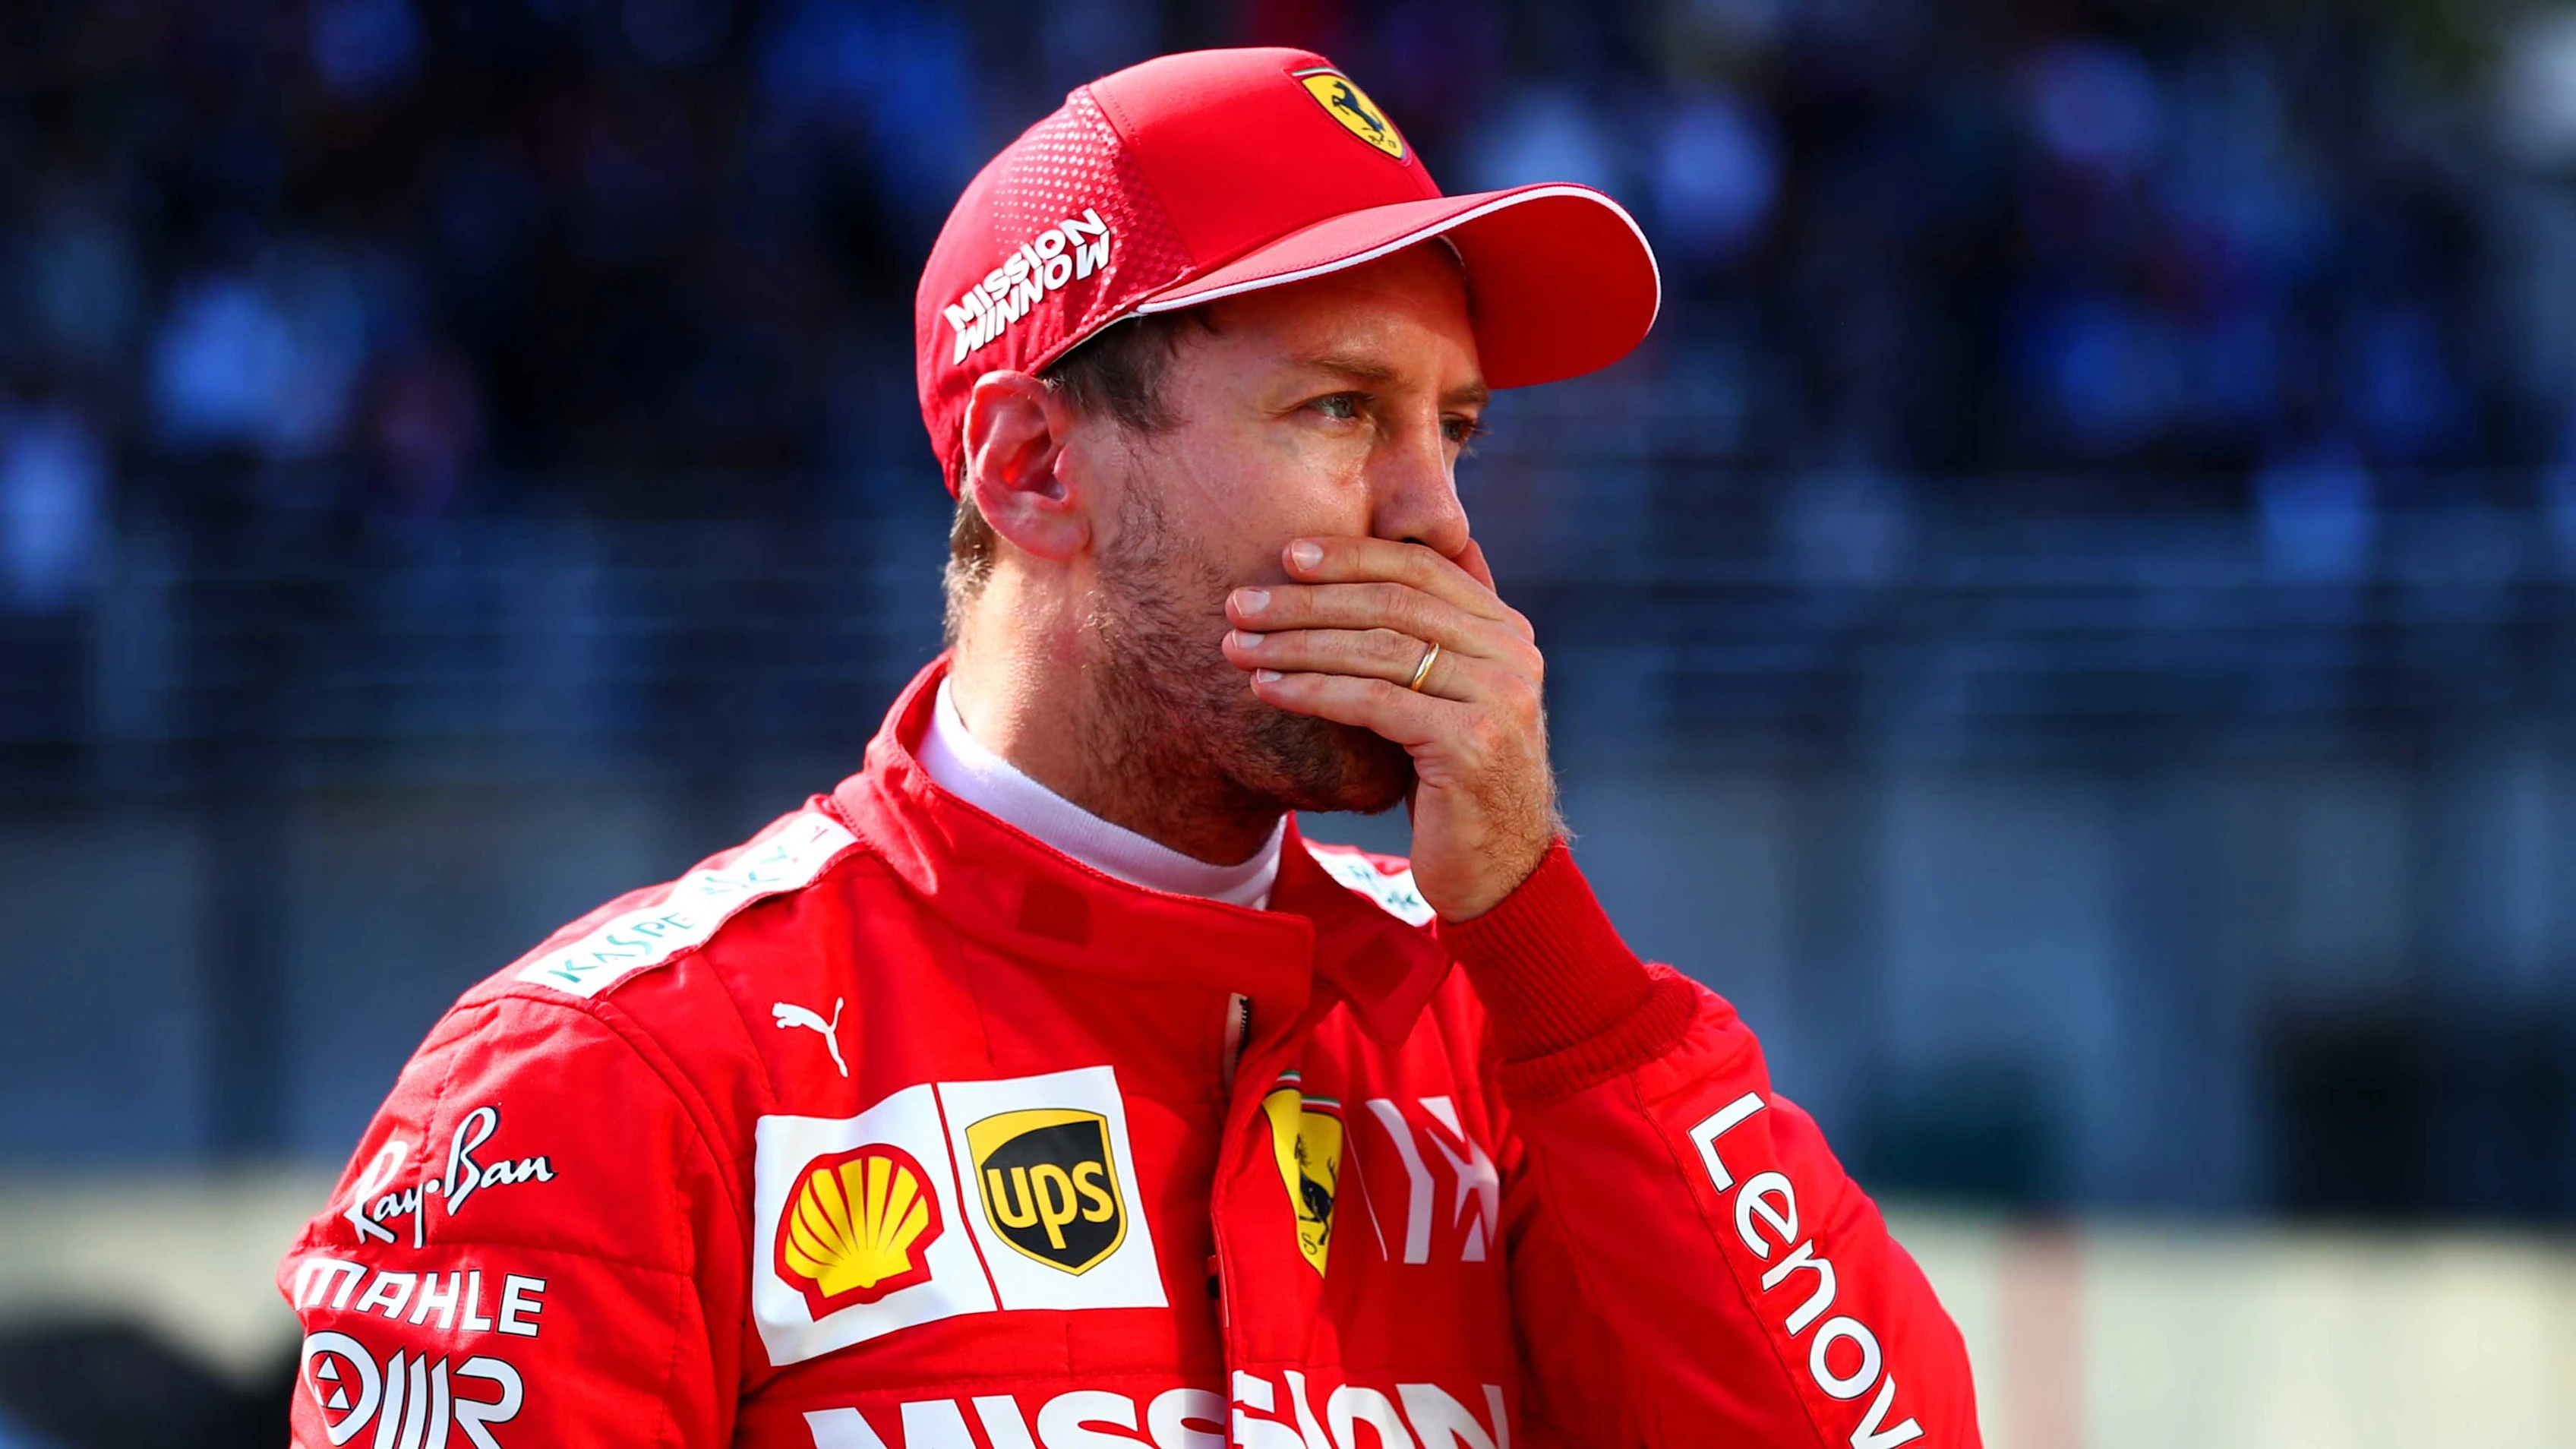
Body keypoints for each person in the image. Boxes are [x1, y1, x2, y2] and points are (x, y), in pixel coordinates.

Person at [276, 48, 1979, 1449]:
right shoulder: (613, 1083)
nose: (1439, 523)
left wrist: (1542, 939)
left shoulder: (1499, 1038)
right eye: (1340, 411)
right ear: (1031, 470)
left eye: (1450, 428)